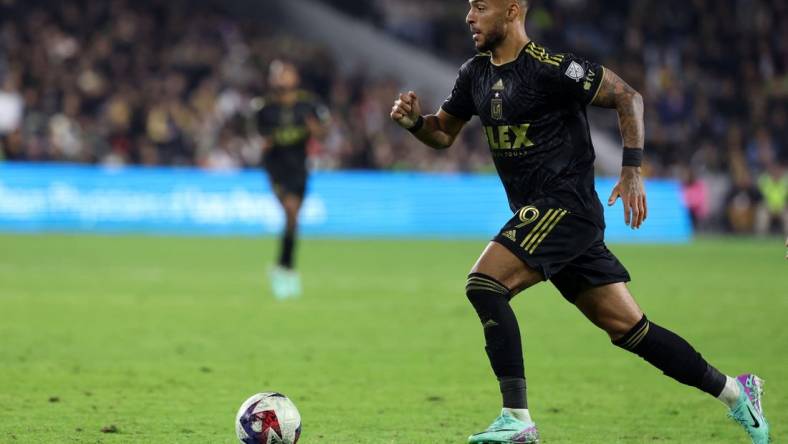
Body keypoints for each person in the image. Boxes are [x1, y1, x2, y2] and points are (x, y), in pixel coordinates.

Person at [389, 1, 770, 443]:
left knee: (484, 285)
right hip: (545, 216)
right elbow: (443, 133)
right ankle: (736, 393)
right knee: (632, 331)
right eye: (469, 7)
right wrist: (417, 122)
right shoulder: (473, 74)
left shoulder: (552, 68)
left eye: (481, 7)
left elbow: (629, 96)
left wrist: (631, 169)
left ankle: (516, 419)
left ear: (513, 10)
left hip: (566, 207)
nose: (469, 16)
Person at [256, 60, 328, 299]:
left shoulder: (308, 104)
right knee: (290, 210)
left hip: (299, 167)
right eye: (277, 75)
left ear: (295, 77)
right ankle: (287, 270)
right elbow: (257, 136)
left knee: (293, 218)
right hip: (276, 168)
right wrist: (263, 145)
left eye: (285, 74)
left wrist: (316, 130)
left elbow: (324, 133)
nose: (281, 79)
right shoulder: (264, 108)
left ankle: (283, 265)